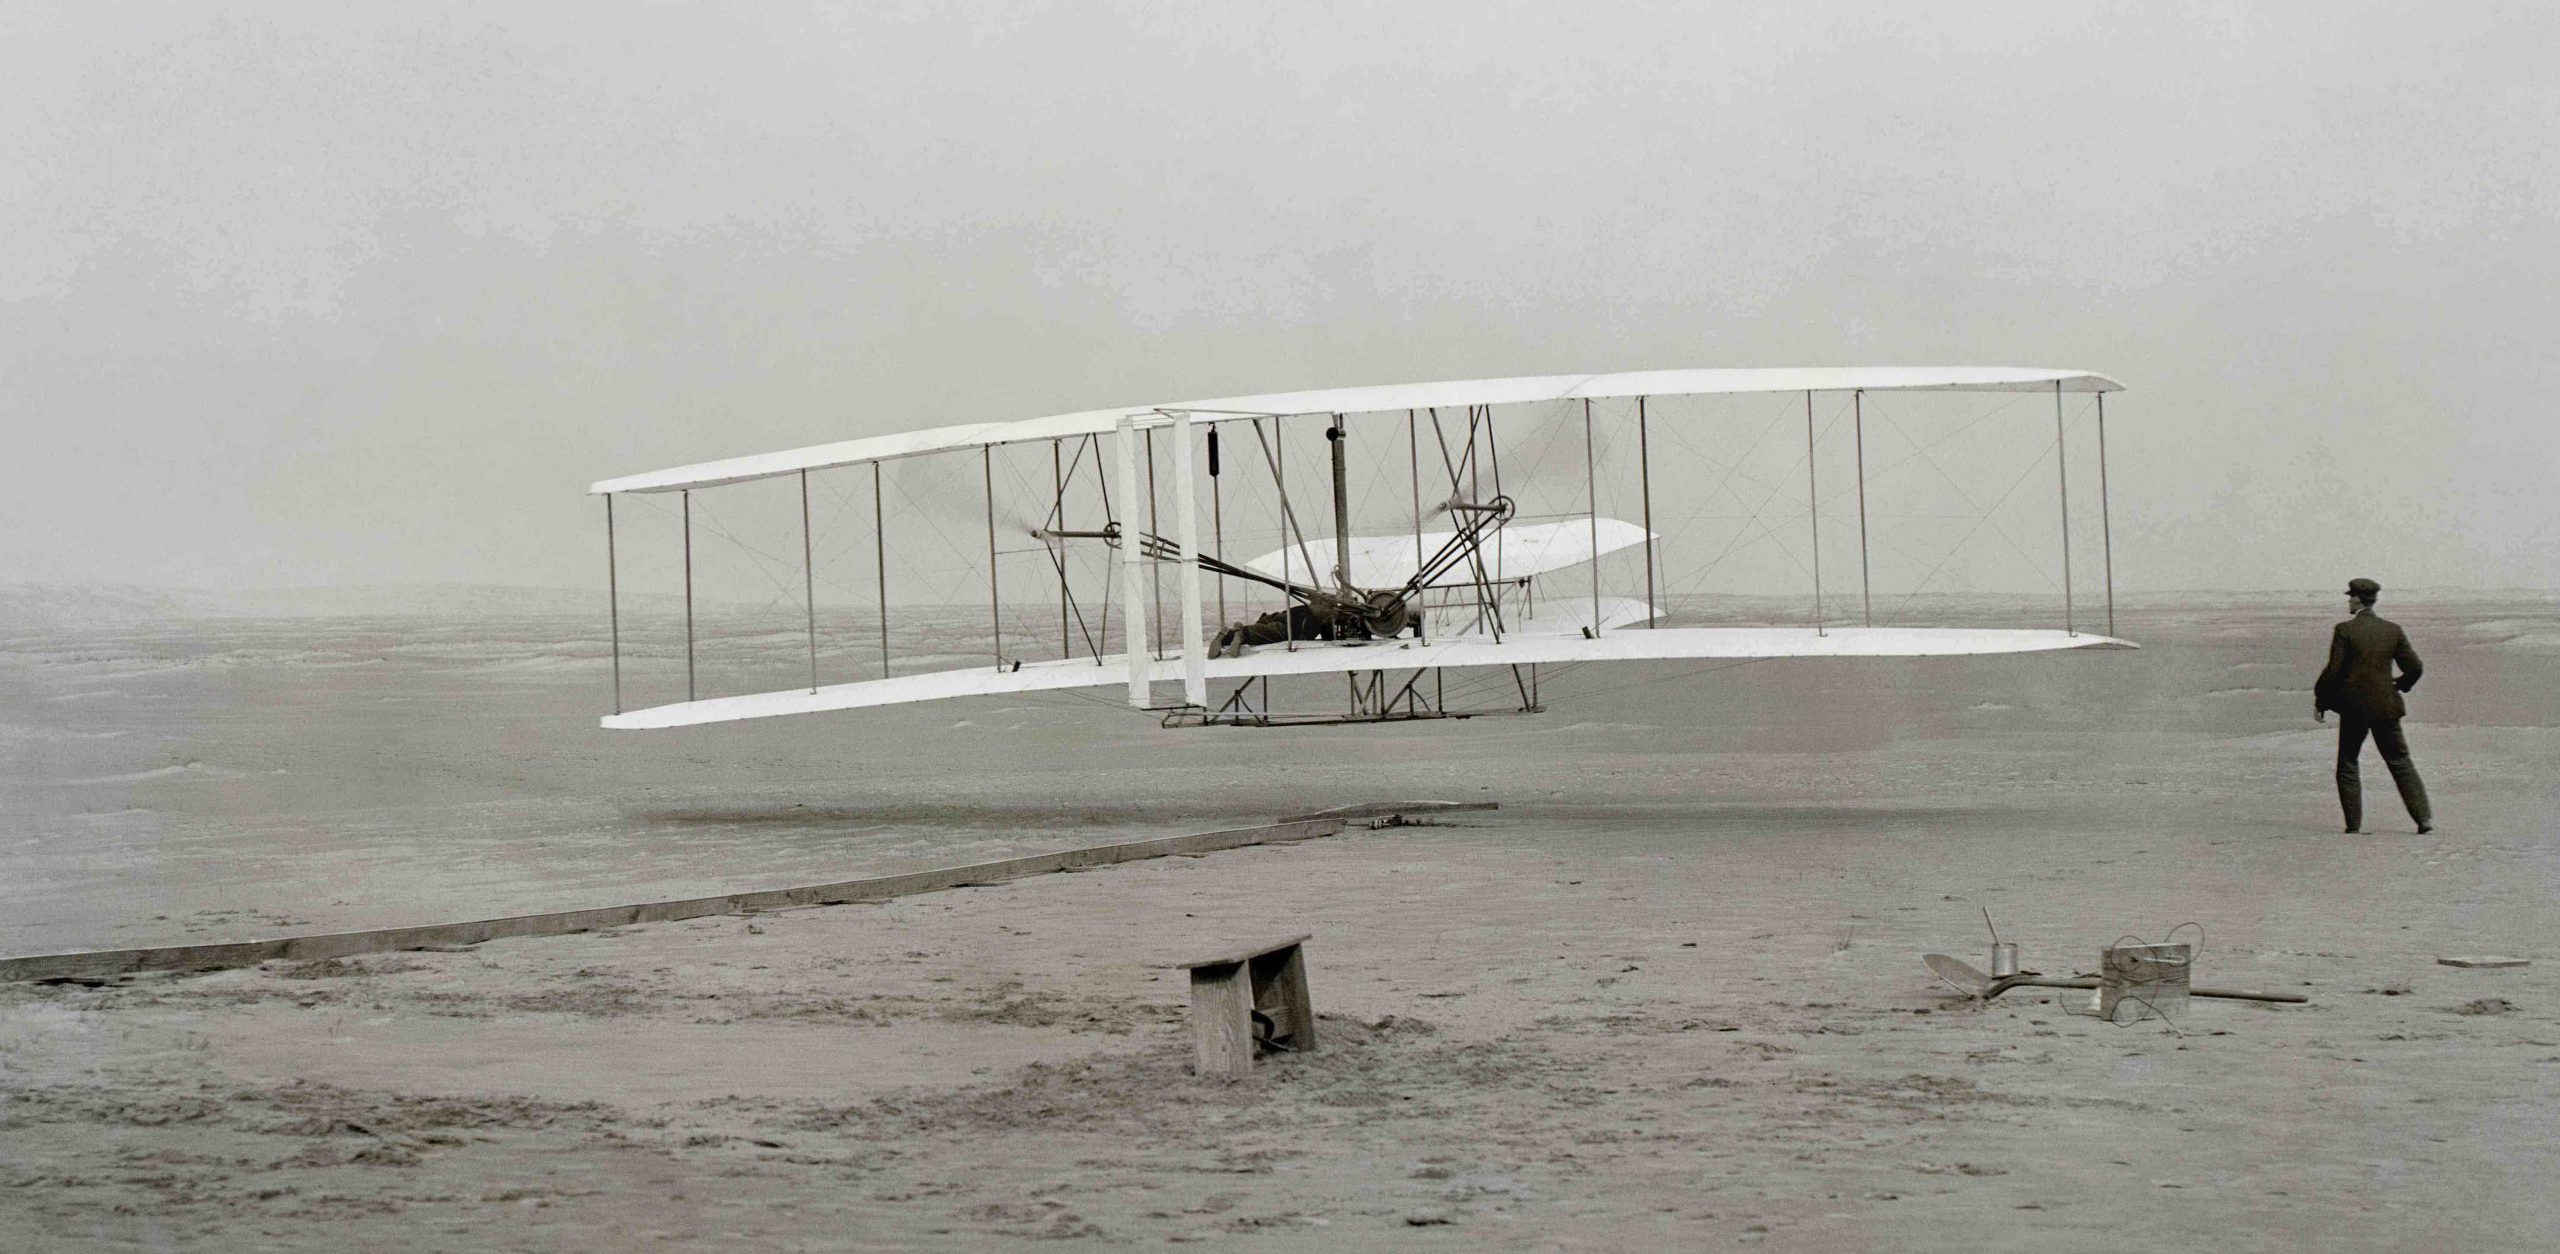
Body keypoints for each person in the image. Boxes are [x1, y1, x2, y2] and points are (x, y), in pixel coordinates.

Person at [2313, 577, 2432, 834]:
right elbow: (2415, 667)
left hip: (2354, 708)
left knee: (2348, 762)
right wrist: (2400, 685)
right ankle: (2424, 820)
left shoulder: (2345, 630)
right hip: (2386, 706)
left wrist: (2321, 699)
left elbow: (2333, 671)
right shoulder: (2392, 630)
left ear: (2357, 598)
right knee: (2400, 761)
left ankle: (2353, 826)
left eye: (2350, 597)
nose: (2348, 601)